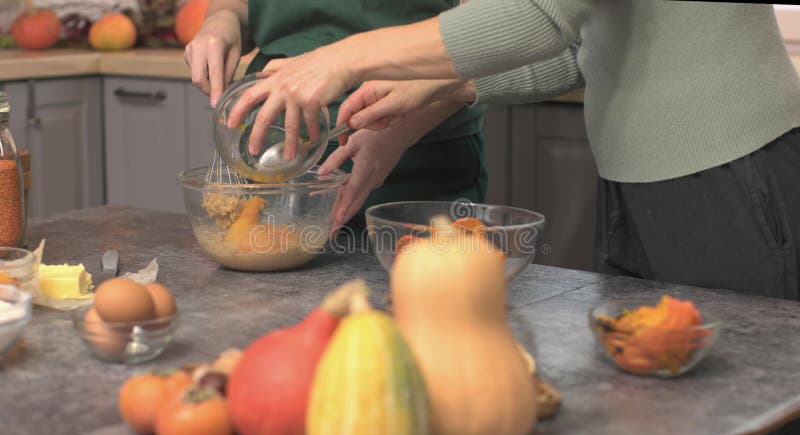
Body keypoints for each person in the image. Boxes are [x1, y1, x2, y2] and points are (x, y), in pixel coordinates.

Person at [226, 0, 800, 300]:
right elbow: (577, 44)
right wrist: (436, 90)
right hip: (642, 182)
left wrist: (342, 58)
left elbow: (538, 16)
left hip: (730, 172)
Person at [185, 0, 489, 232]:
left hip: (415, 161)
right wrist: (222, 18)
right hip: (265, 153)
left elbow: (501, 36)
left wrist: (400, 132)